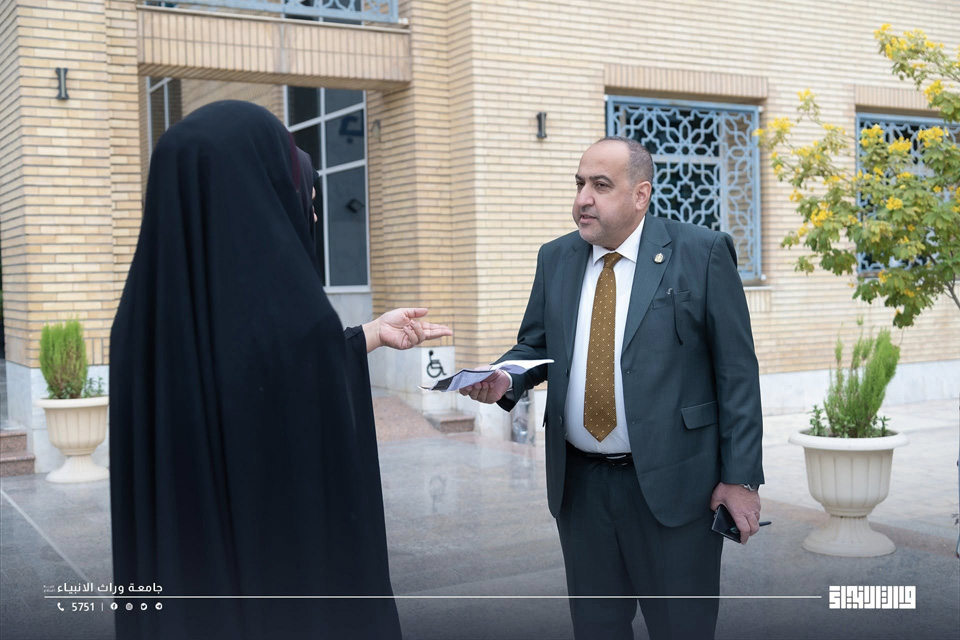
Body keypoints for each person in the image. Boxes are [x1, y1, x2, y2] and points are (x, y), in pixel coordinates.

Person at [110, 100, 451, 639]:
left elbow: (271, 364)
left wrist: (369, 333)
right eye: (302, 195)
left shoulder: (140, 324)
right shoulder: (290, 317)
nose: (311, 215)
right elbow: (290, 365)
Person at [460, 137, 764, 640]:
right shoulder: (556, 257)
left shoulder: (701, 251)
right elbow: (536, 343)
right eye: (580, 183)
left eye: (600, 185)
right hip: (580, 490)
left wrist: (741, 479)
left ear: (641, 194)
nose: (583, 198)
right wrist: (505, 376)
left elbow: (737, 374)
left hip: (674, 489)